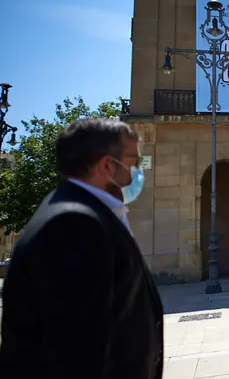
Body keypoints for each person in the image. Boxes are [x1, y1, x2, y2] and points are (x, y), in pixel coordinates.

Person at [0, 118, 164, 379]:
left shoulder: (82, 211)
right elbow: (76, 351)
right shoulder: (74, 225)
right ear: (108, 165)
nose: (137, 170)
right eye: (134, 161)